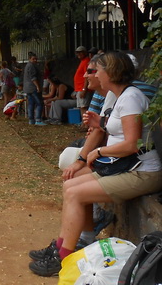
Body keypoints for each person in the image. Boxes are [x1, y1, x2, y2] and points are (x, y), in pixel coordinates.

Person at [28, 51, 162, 277]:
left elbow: (131, 144)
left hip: (143, 172)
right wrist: (90, 147)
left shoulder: (131, 98)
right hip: (126, 166)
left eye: (96, 70)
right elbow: (111, 130)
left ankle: (62, 257)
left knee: (76, 193)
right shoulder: (119, 96)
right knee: (71, 185)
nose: (92, 74)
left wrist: (99, 151)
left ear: (110, 72)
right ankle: (71, 244)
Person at [48, 46, 91, 125]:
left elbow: (86, 76)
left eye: (80, 52)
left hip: (81, 89)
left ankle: (85, 124)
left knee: (83, 107)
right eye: (77, 53)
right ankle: (84, 124)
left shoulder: (86, 62)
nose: (78, 54)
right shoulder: (82, 61)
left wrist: (84, 89)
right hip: (78, 90)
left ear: (85, 53)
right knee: (82, 107)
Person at [22, 52, 46, 126]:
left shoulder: (27, 66)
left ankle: (31, 119)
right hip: (33, 87)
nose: (35, 60)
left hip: (27, 88)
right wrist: (38, 86)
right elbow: (33, 78)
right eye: (33, 59)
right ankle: (38, 119)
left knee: (31, 103)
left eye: (36, 59)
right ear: (29, 59)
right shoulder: (31, 66)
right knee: (39, 103)